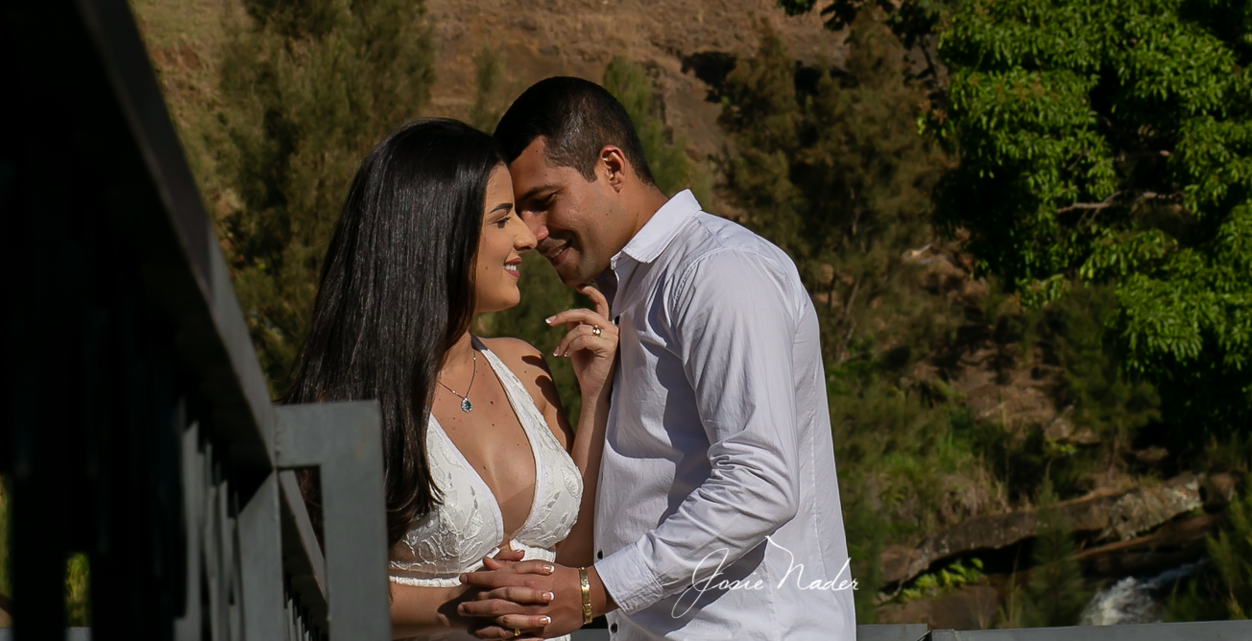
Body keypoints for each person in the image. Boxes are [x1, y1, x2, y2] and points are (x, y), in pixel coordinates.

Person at [457, 78, 855, 640]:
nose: (533, 233)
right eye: (517, 214)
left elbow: (760, 482)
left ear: (612, 167)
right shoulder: (632, 294)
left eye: (544, 202)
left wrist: (593, 592)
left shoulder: (719, 271)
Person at [287, 118, 618, 639]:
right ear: (435, 232)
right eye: (502, 217)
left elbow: (573, 550)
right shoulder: (349, 403)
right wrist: (464, 604)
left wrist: (595, 397)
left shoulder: (524, 368)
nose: (526, 237)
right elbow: (333, 587)